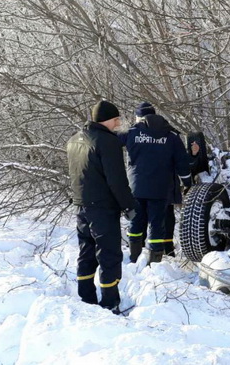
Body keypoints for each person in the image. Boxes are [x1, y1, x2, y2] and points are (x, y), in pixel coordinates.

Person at [66, 100, 136, 314]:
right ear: (108, 119)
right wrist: (129, 206)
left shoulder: (73, 140)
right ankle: (109, 302)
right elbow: (116, 180)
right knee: (109, 255)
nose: (119, 122)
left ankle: (86, 297)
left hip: (80, 206)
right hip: (102, 208)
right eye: (117, 119)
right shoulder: (107, 142)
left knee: (86, 252)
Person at [118, 102, 192, 264]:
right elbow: (182, 163)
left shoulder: (131, 133)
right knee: (157, 225)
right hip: (161, 190)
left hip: (136, 189)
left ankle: (134, 258)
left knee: (136, 223)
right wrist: (187, 182)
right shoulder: (171, 135)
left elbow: (109, 145)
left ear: (139, 117)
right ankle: (154, 263)